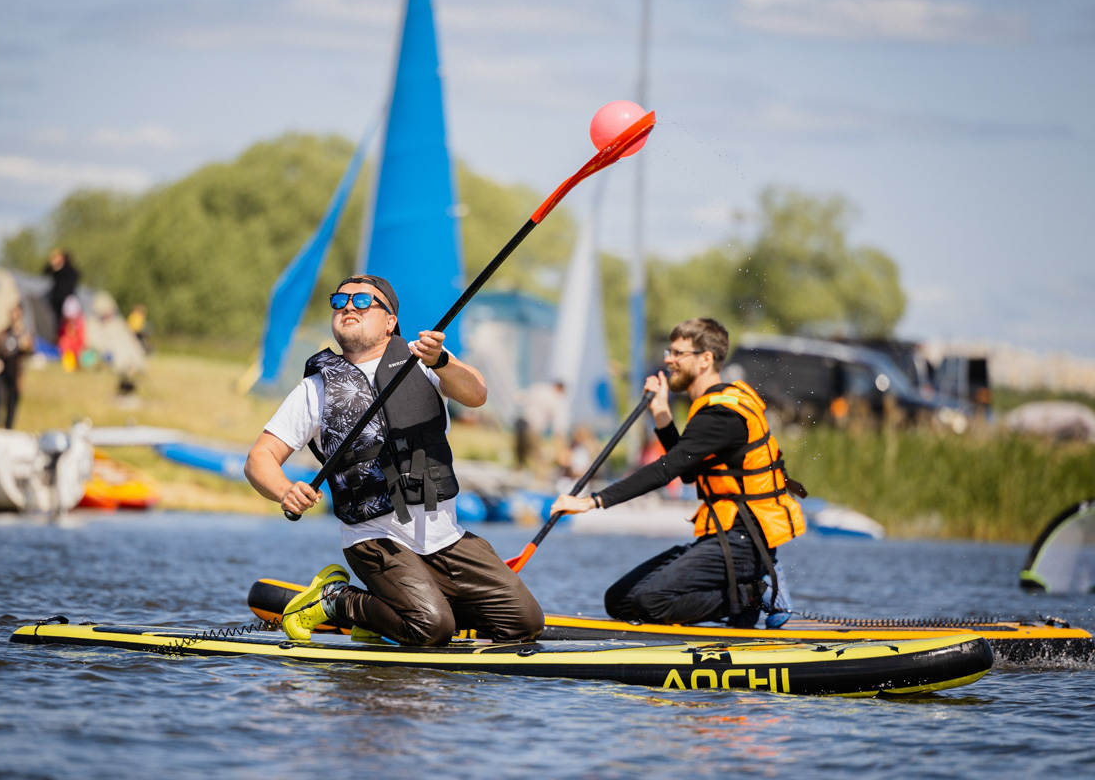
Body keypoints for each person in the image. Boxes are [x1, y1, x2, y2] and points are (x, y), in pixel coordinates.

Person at [244, 274, 544, 647]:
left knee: (525, 623)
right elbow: (260, 458)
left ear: (390, 322)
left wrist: (444, 361)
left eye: (362, 301)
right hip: (375, 540)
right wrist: (284, 489)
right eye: (339, 302)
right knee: (431, 629)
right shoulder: (315, 390)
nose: (348, 307)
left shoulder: (426, 364)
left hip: (445, 538)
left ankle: (392, 610)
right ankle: (337, 601)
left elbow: (477, 393)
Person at [550, 317, 806, 629]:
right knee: (618, 600)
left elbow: (665, 470)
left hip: (744, 541)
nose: (668, 359)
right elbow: (688, 472)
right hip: (723, 537)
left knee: (650, 601)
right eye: (669, 351)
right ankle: (743, 597)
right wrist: (661, 412)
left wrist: (593, 501)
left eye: (677, 353)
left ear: (705, 360)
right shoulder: (713, 406)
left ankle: (754, 592)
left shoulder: (721, 413)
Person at [0, 305, 34, 428]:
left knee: (12, 400)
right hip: (2, 370)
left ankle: (8, 427)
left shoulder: (24, 333)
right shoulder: (4, 332)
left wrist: (26, 345)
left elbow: (30, 351)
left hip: (15, 371)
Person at [43, 248, 79, 341]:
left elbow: (71, 283)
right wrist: (54, 266)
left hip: (67, 302)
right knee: (56, 325)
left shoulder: (70, 271)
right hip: (56, 303)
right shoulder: (55, 271)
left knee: (68, 325)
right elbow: (45, 272)